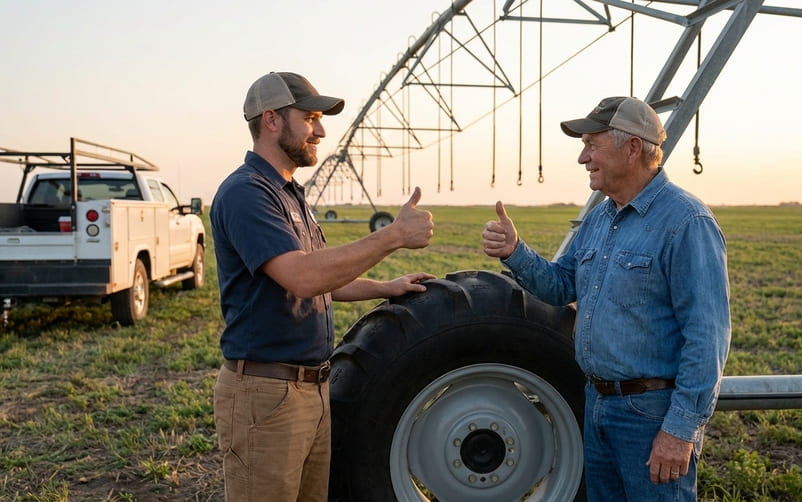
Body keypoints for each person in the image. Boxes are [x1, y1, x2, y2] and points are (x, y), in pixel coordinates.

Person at [482, 96, 730, 501]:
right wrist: (515, 252)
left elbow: (708, 337)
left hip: (650, 415)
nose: (583, 158)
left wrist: (679, 430)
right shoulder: (601, 217)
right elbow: (562, 285)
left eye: (592, 145)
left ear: (632, 148)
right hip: (597, 403)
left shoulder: (687, 222)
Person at [210, 71, 435, 502]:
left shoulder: (289, 192)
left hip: (310, 391)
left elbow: (319, 280)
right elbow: (303, 276)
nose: (321, 129)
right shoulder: (247, 193)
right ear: (272, 120)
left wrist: (386, 286)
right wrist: (392, 236)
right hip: (267, 396)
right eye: (310, 117)